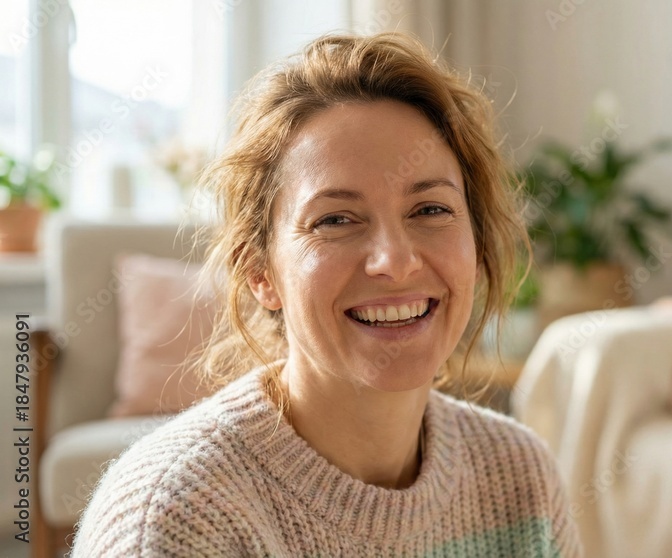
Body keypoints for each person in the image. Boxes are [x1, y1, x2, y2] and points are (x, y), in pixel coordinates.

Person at [71, 32, 582, 557]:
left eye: (430, 209)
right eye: (335, 220)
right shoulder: (176, 518)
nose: (395, 261)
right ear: (259, 272)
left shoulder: (521, 477)